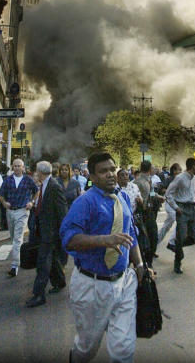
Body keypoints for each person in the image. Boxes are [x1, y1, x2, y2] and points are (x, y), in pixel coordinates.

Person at [60, 151, 152, 363]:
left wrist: (139, 266)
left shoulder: (124, 198)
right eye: (103, 171)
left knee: (123, 350)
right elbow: (69, 239)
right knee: (87, 349)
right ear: (92, 176)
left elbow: (131, 235)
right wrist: (105, 240)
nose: (110, 174)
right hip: (92, 286)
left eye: (112, 169)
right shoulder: (85, 203)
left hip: (124, 282)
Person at [24, 161, 67, 308]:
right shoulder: (44, 185)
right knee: (52, 258)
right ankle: (60, 282)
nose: (35, 174)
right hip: (42, 230)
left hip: (50, 232)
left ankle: (38, 294)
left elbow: (62, 211)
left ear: (41, 172)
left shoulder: (54, 187)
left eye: (36, 171)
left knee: (42, 263)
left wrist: (63, 233)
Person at [0, 158, 38, 277]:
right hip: (10, 211)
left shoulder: (28, 180)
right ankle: (17, 258)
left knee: (18, 238)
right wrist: (4, 203)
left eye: (19, 166)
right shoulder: (8, 180)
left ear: (23, 167)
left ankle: (15, 265)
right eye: (15, 166)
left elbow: (37, 191)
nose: (17, 168)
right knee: (13, 237)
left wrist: (31, 202)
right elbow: (1, 194)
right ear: (12, 167)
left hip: (22, 211)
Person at [166, 158, 195, 274]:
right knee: (181, 235)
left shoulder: (194, 178)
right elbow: (168, 194)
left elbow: (193, 193)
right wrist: (176, 207)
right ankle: (178, 261)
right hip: (182, 209)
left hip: (193, 208)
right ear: (192, 166)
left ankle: (177, 247)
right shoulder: (180, 178)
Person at [133, 160, 159, 263]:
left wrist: (158, 196)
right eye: (153, 168)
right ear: (149, 169)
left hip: (150, 211)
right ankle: (145, 263)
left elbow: (151, 193)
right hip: (142, 213)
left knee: (153, 237)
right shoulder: (138, 182)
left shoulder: (149, 180)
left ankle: (149, 261)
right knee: (146, 238)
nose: (154, 169)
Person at [155, 163, 181, 248]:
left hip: (177, 204)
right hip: (169, 204)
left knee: (166, 226)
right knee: (178, 219)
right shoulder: (169, 179)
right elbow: (161, 188)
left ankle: (155, 243)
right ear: (174, 171)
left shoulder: (181, 180)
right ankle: (172, 242)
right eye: (179, 169)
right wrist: (168, 190)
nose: (180, 171)